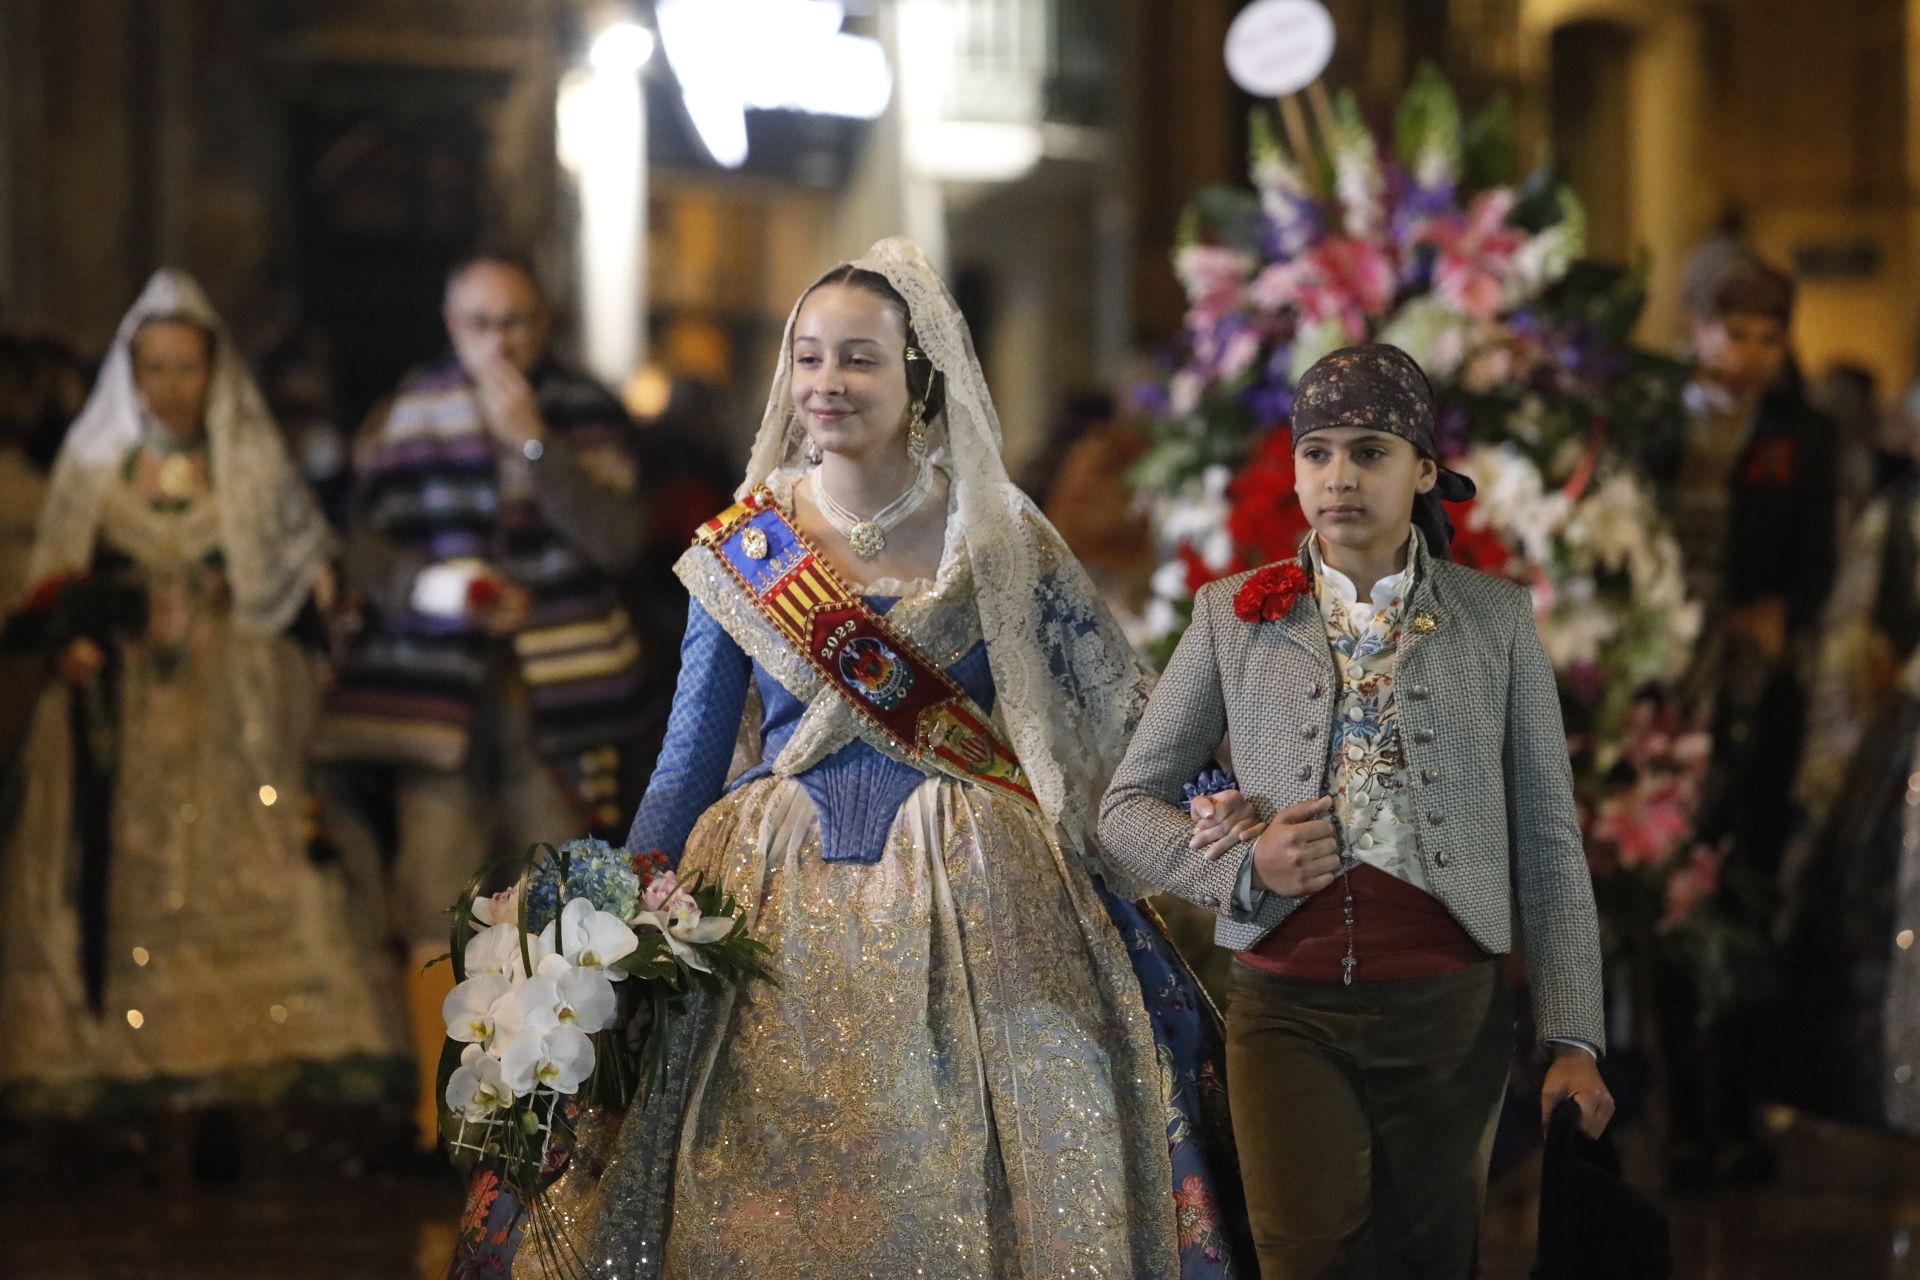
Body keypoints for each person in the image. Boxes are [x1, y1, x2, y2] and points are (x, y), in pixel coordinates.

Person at [454, 238, 1251, 1278]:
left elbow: (1116, 698)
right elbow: (689, 757)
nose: (827, 382)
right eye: (810, 357)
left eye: (859, 358)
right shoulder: (745, 543)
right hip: (765, 895)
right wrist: (612, 921)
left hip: (980, 889)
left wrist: (1214, 795)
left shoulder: (997, 532)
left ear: (919, 376)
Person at [1099, 343, 1611, 1279]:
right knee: (1306, 1259)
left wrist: (1572, 1037)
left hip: (1449, 1012)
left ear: (1424, 471)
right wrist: (1244, 867)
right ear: (1295, 471)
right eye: (1318, 452)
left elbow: (1548, 842)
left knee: (1433, 1261)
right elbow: (1125, 811)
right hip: (1284, 1008)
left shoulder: (1495, 618)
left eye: (1370, 452)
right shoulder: (1231, 614)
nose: (1340, 477)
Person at [0, 271, 401, 1119]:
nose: (172, 386)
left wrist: (304, 600)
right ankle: (115, 1047)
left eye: (187, 367)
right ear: (131, 372)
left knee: (256, 853)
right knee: (127, 860)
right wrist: (81, 632)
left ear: (214, 373)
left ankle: (255, 1045)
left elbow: (301, 569)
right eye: (156, 367)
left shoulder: (247, 467)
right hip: (127, 702)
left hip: (235, 701)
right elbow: (57, 578)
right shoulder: (94, 467)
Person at [315, 250, 650, 1146]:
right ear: (449, 324)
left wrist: (537, 444)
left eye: (515, 323)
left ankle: (556, 1108)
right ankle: (446, 1111)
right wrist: (443, 589)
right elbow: (362, 547)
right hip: (436, 696)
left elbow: (619, 538)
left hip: (562, 697)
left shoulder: (585, 411)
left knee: (561, 895)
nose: (497, 343)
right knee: (436, 893)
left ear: (545, 324)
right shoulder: (408, 411)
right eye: (478, 324)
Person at [1644, 253, 1838, 1184]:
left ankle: (1743, 1107)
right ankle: (1684, 1113)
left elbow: (1817, 560)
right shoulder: (1652, 421)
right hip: (1660, 695)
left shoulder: (1804, 433)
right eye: (1736, 334)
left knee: (1750, 887)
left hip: (1758, 692)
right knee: (1668, 897)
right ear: (1696, 330)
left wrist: (1782, 615)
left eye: (1770, 337)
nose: (1753, 355)